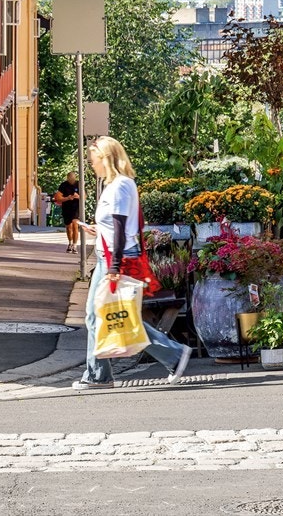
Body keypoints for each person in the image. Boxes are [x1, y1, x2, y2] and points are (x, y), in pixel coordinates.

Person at [72, 136, 194, 390]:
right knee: (102, 316)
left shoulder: (118, 187)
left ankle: (102, 376)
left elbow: (119, 228)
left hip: (115, 259)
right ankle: (101, 374)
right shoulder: (119, 185)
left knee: (110, 317)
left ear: (106, 159)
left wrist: (115, 267)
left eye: (94, 160)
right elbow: (116, 227)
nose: (91, 165)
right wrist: (98, 231)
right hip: (112, 255)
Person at [55, 175, 83, 253]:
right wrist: (67, 198)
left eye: (73, 178)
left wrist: (78, 196)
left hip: (76, 208)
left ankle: (75, 245)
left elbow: (84, 196)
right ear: (67, 178)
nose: (71, 179)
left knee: (75, 225)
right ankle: (70, 243)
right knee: (69, 227)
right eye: (70, 178)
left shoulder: (79, 184)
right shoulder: (63, 185)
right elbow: (58, 197)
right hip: (67, 208)